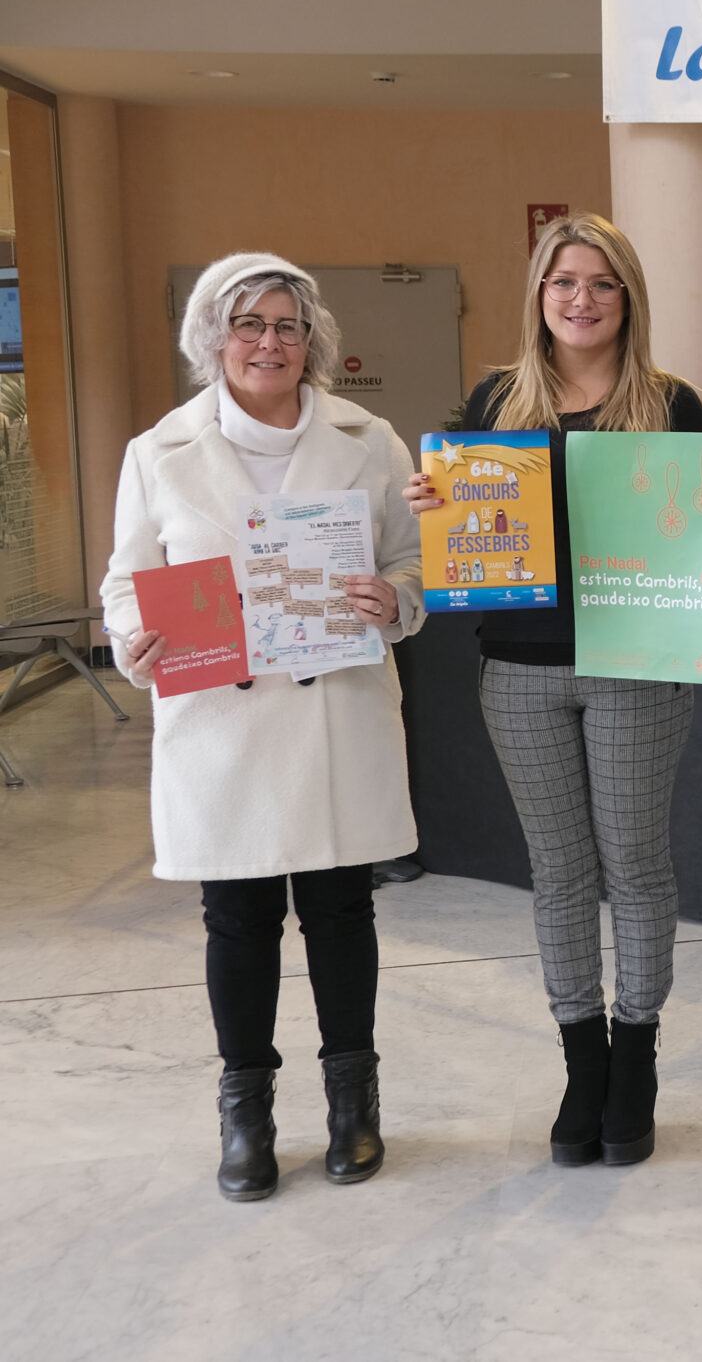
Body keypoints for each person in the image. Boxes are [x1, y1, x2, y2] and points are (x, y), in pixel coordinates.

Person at [403, 213, 702, 1170]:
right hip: (519, 663)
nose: (581, 299)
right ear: (539, 296)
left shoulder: (669, 404)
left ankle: (635, 1054)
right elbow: (468, 529)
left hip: (636, 657)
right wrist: (432, 507)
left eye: (601, 282)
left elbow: (697, 527)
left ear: (627, 296)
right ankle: (580, 1059)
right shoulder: (496, 400)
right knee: (557, 869)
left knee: (634, 861)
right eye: (563, 282)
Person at [101, 254, 424, 1201]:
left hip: (335, 710)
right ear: (213, 338)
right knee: (237, 921)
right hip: (221, 720)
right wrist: (134, 639)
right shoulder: (158, 451)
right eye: (248, 325)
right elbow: (125, 581)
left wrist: (393, 600)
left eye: (287, 326)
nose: (268, 343)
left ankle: (353, 1105)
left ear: (313, 340)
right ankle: (247, 1115)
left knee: (341, 912)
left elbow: (413, 565)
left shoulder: (370, 439)